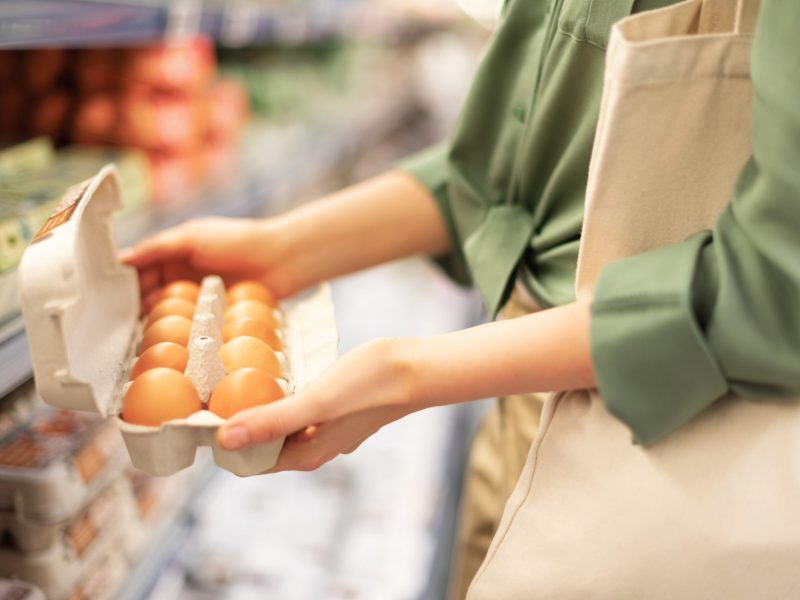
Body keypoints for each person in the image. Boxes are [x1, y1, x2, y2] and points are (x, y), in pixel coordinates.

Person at [122, 0, 800, 597]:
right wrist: (283, 249)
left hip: (678, 450)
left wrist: (406, 374)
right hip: (520, 400)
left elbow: (776, 284)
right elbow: (507, 176)